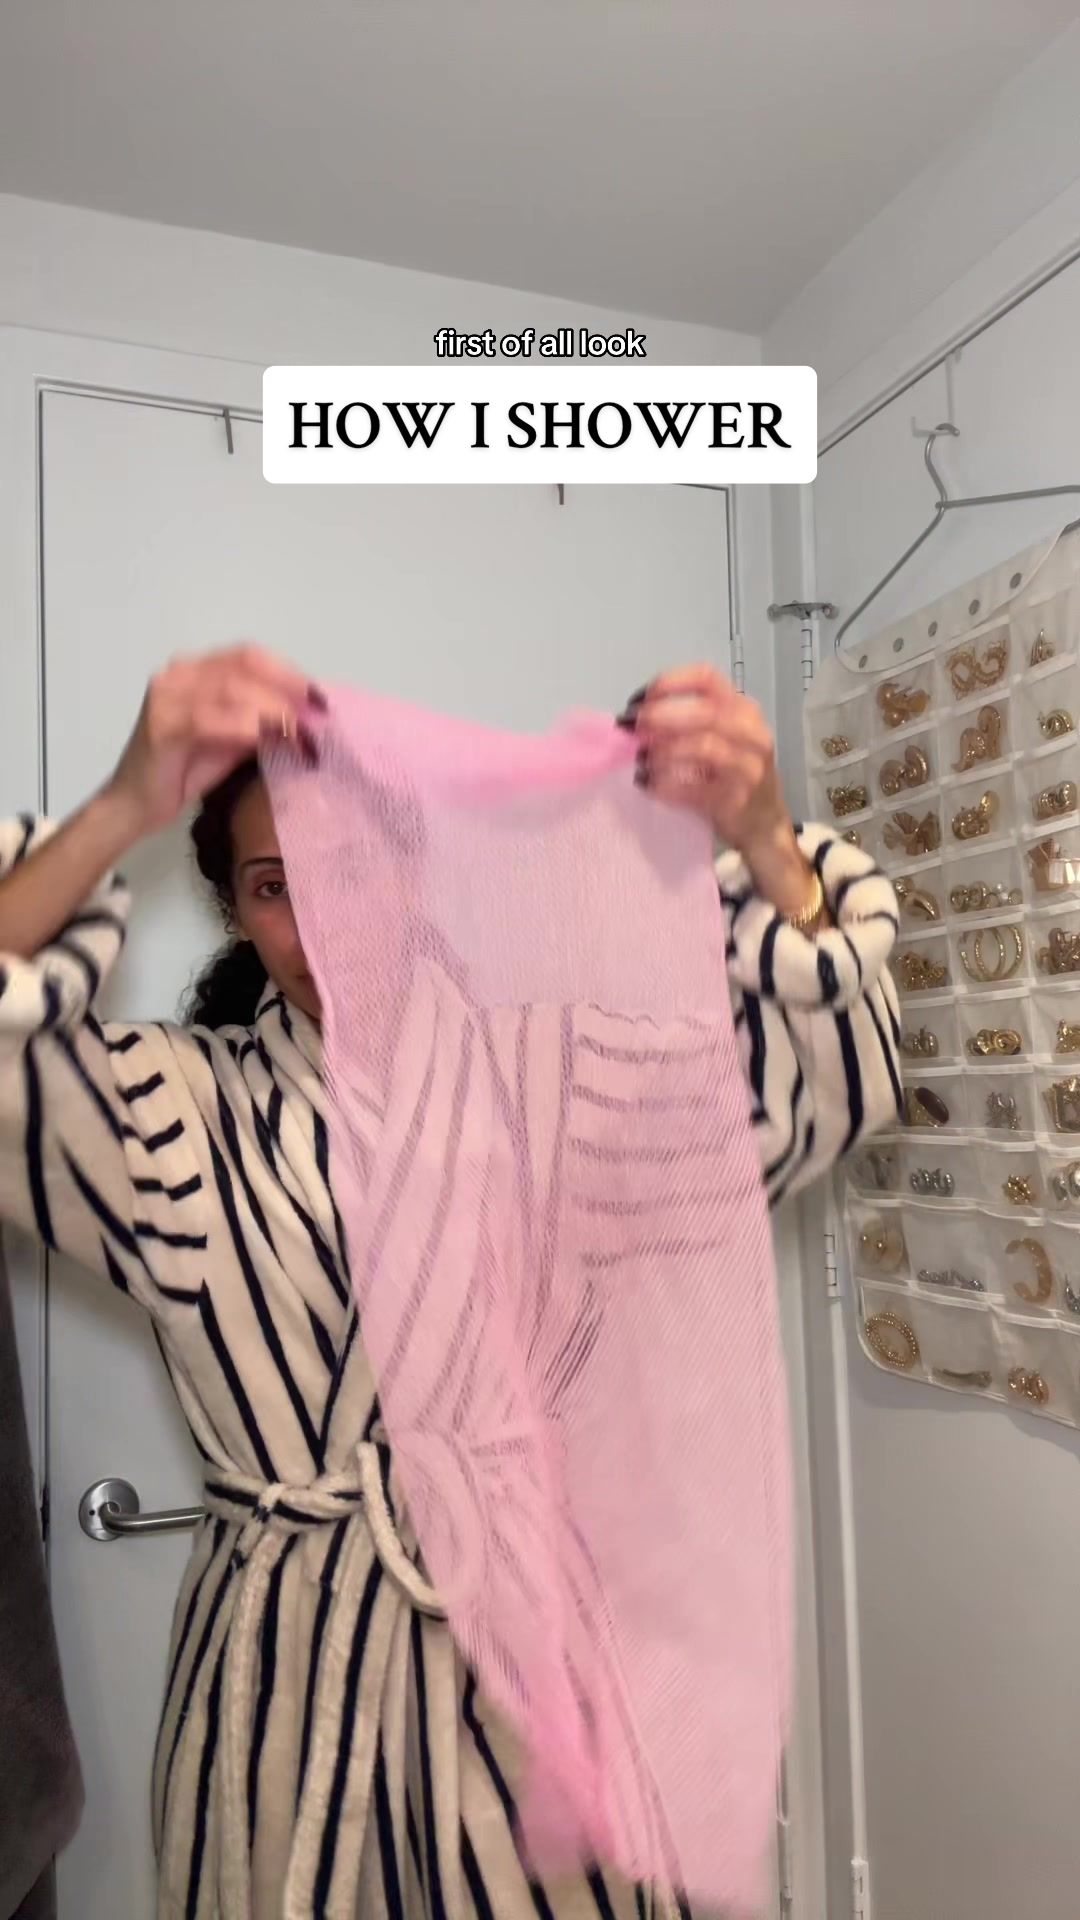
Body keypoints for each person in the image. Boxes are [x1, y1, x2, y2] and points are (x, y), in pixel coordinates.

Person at [0, 645, 900, 1919]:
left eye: (354, 865)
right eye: (275, 885)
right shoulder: (180, 1112)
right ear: (236, 910)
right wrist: (118, 805)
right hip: (287, 1687)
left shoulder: (555, 1083)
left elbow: (827, 1086)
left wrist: (761, 835)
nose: (321, 922)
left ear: (418, 866)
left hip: (530, 1666)